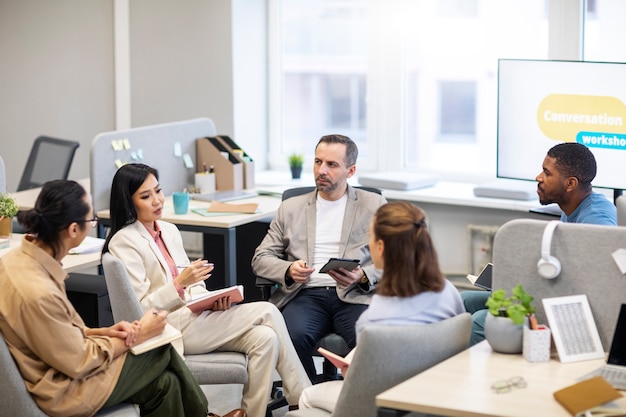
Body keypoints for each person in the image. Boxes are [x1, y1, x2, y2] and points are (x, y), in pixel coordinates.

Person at [0, 179, 245, 417]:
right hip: (64, 388)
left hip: (60, 367)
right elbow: (79, 361)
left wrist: (106, 332)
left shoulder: (16, 260)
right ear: (74, 229)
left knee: (166, 384)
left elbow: (59, 334)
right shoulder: (38, 291)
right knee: (159, 349)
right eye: (92, 220)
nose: (93, 224)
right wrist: (139, 335)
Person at [102, 163, 310, 417]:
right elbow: (140, 309)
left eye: (158, 191)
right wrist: (179, 285)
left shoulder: (168, 230)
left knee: (266, 338)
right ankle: (302, 399)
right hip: (169, 327)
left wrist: (209, 300)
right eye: (146, 196)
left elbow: (195, 283)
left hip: (194, 317)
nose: (157, 200)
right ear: (129, 202)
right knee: (267, 310)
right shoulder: (125, 241)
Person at [298, 201, 465, 412]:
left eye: (370, 238)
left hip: (384, 403)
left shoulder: (374, 318)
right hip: (436, 397)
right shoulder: (448, 292)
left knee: (306, 396)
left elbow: (365, 381)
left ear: (380, 248)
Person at [251, 134, 387, 383]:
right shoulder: (290, 207)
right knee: (291, 336)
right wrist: (288, 269)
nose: (321, 170)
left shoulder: (374, 205)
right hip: (306, 294)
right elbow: (261, 257)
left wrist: (363, 275)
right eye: (317, 162)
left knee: (370, 338)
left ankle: (354, 401)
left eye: (332, 164)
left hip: (354, 294)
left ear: (351, 170)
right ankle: (308, 396)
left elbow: (395, 259)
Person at [463, 142, 617, 345]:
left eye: (547, 173)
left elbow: (594, 285)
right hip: (553, 294)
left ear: (570, 184)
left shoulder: (597, 220)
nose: (538, 177)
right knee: (465, 300)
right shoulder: (572, 207)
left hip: (570, 310)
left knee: (481, 321)